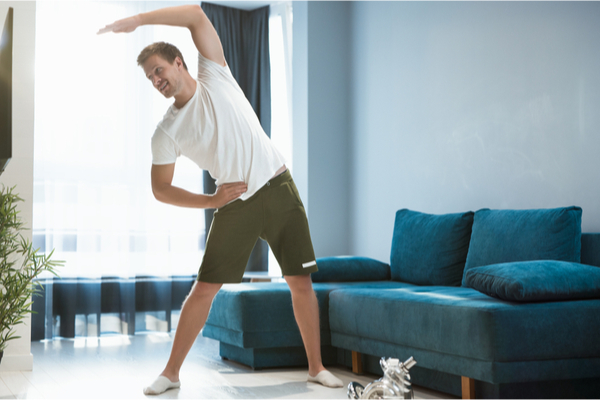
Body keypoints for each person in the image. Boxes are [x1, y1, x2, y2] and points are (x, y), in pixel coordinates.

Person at [98, 4, 343, 396]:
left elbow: (196, 15)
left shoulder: (214, 73)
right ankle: (171, 373)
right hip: (235, 203)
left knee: (300, 282)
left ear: (179, 63)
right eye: (149, 78)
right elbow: (160, 189)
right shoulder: (166, 131)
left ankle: (316, 368)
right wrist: (211, 201)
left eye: (159, 70)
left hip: (280, 188)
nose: (156, 80)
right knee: (205, 288)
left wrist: (140, 20)